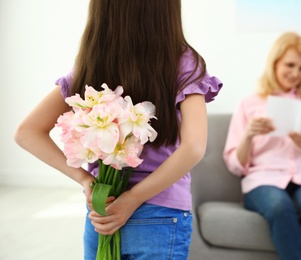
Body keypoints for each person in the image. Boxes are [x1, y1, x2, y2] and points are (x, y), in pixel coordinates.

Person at [14, 1, 222, 259]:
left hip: (104, 213)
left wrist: (86, 181)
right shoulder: (183, 61)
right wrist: (133, 199)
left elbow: (26, 132)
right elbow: (193, 147)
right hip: (160, 214)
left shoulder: (92, 64)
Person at [223, 32, 301, 260]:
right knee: (279, 206)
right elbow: (235, 165)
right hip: (264, 180)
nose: (295, 74)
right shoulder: (249, 105)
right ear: (275, 62)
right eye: (290, 65)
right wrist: (249, 135)